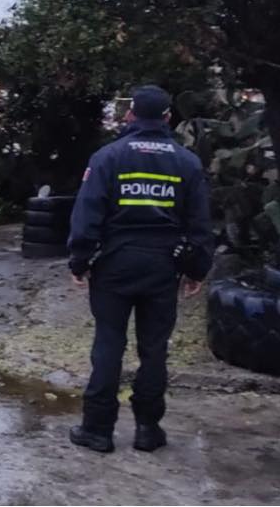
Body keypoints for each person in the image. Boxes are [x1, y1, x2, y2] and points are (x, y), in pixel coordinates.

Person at [67, 85, 214, 454]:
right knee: (154, 349)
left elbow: (87, 216)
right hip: (163, 268)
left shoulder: (107, 157)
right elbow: (199, 224)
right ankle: (148, 430)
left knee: (108, 345)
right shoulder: (187, 162)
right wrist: (196, 269)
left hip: (114, 266)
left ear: (130, 115)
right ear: (168, 118)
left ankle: (97, 430)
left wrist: (79, 261)